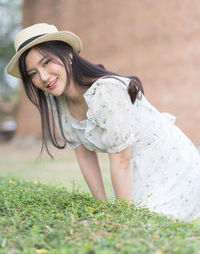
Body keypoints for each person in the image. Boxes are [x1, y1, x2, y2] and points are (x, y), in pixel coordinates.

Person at [7, 23, 200, 221]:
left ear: (68, 54)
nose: (44, 77)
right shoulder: (57, 102)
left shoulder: (107, 92)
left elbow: (120, 161)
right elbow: (84, 157)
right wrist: (102, 209)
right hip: (137, 167)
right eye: (33, 73)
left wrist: (122, 220)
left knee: (144, 229)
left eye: (46, 62)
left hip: (170, 162)